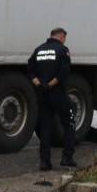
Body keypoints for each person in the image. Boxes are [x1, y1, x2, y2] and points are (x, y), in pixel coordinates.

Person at [27, 27, 76, 171]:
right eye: (64, 38)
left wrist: (39, 84)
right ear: (61, 37)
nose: (64, 41)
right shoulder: (62, 50)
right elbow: (64, 72)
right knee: (69, 122)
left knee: (45, 126)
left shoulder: (39, 50)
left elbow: (30, 70)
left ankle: (45, 161)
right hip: (57, 92)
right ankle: (67, 157)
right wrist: (50, 85)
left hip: (42, 92)